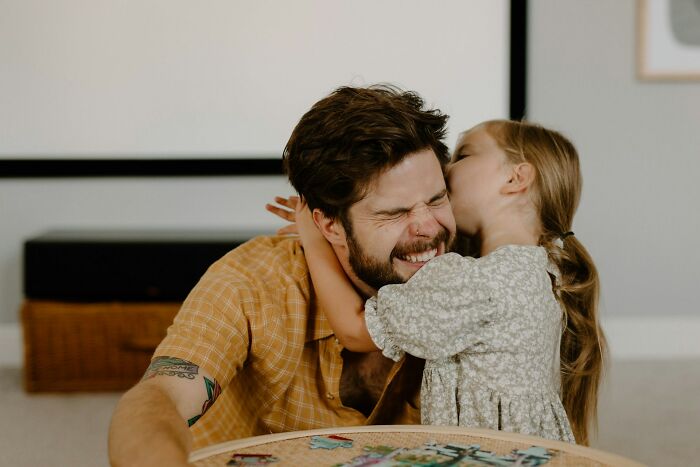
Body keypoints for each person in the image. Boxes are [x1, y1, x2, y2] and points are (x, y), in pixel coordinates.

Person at [107, 84, 457, 466]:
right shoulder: (251, 281)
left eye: (437, 199)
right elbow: (161, 397)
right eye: (395, 213)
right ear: (328, 225)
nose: (429, 227)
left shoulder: (479, 277)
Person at [269, 120, 606, 445]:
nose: (445, 168)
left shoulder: (475, 282)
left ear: (516, 178)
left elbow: (355, 330)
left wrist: (316, 236)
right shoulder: (539, 268)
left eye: (463, 155)